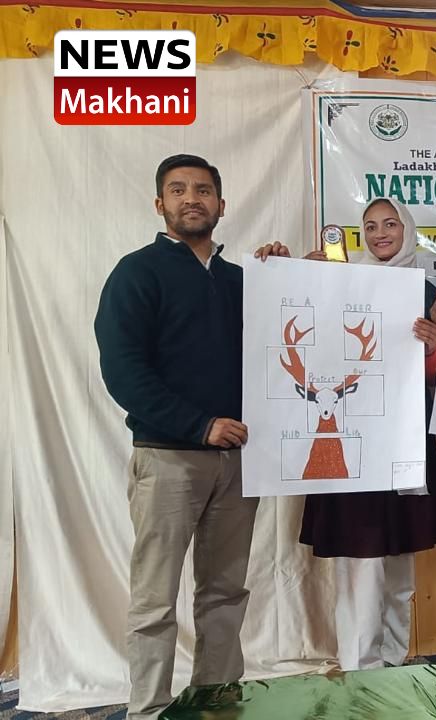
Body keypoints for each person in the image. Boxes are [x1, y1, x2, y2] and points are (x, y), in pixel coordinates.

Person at [254, 197, 436, 671]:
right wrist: (284, 270)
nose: (381, 233)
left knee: (401, 563)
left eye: (390, 224)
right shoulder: (333, 279)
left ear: (406, 230)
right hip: (349, 443)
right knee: (360, 564)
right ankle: (360, 667)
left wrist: (435, 344)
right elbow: (294, 324)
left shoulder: (426, 291)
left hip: (403, 442)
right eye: (371, 226)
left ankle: (394, 663)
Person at [95, 154, 260, 719]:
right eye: (179, 189)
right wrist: (199, 425)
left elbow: (289, 344)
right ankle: (148, 710)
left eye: (203, 190)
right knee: (154, 598)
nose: (192, 198)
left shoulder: (241, 281)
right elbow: (123, 371)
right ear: (159, 203)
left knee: (225, 592)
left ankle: (217, 701)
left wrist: (292, 276)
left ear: (221, 204)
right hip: (167, 459)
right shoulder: (137, 273)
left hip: (238, 462)